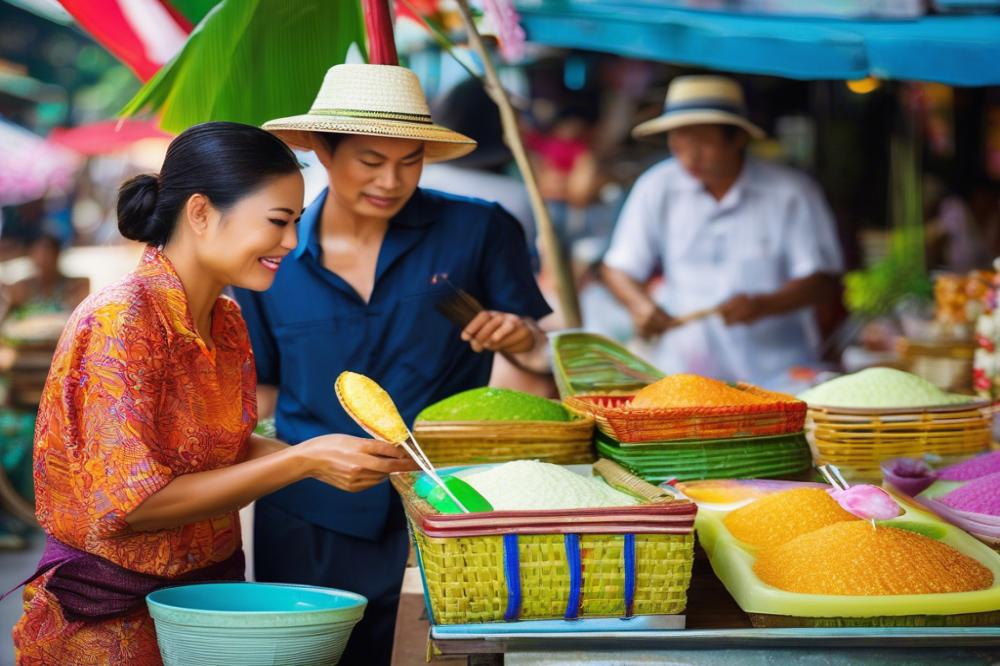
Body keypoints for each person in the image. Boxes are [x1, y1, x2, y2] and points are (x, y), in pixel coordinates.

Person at [10, 122, 415, 665]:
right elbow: (136, 505)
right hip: (113, 629)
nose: (291, 243)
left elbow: (217, 449)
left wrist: (332, 457)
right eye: (277, 222)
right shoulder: (120, 320)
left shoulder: (225, 318)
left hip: (209, 608)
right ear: (200, 213)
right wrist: (303, 461)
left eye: (295, 222)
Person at [234, 63, 551, 664]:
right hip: (308, 512)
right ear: (323, 152)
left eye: (411, 160)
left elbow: (537, 361)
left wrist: (521, 338)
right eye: (371, 160)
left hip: (448, 507)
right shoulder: (271, 256)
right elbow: (265, 396)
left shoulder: (479, 229)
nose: (392, 179)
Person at [600, 75, 843, 387]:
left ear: (737, 138)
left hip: (778, 377)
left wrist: (764, 305)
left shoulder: (791, 193)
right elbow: (618, 268)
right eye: (678, 140)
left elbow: (822, 281)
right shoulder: (657, 186)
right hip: (684, 374)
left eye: (701, 141)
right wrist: (641, 305)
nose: (688, 154)